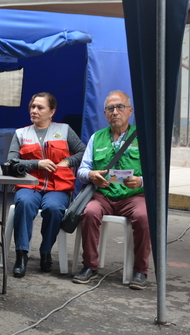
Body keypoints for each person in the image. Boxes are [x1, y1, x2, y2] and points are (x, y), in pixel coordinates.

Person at [72, 90, 151, 290]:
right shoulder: (96, 138)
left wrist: (140, 181)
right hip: (103, 195)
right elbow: (82, 170)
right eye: (110, 108)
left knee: (144, 216)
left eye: (119, 107)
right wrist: (91, 176)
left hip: (132, 197)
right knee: (89, 212)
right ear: (105, 113)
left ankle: (140, 271)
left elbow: (155, 174)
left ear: (130, 111)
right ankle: (90, 266)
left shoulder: (143, 138)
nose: (114, 112)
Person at [7, 92, 85, 278]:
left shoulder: (64, 130)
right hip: (29, 185)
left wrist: (67, 162)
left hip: (58, 186)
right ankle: (21, 255)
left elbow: (83, 152)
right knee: (24, 204)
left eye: (40, 107)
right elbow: (11, 162)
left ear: (52, 112)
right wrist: (36, 164)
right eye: (32, 107)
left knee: (54, 208)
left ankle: (45, 251)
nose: (34, 110)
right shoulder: (21, 133)